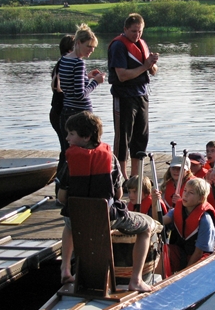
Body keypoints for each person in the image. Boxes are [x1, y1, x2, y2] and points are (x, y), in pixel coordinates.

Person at [57, 111, 158, 292]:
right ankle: (136, 280)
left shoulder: (69, 161)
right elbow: (118, 194)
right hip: (106, 218)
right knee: (147, 226)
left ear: (85, 136)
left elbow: (61, 198)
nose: (67, 137)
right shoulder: (110, 159)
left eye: (71, 134)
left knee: (68, 224)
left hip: (77, 219)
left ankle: (65, 268)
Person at [108, 13, 159, 181]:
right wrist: (145, 66)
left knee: (141, 136)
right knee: (123, 137)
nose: (137, 35)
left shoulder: (141, 44)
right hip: (124, 96)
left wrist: (151, 64)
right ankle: (120, 177)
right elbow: (122, 75)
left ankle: (135, 176)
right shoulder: (118, 46)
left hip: (141, 94)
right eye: (133, 31)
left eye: (140, 31)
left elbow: (152, 71)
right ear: (125, 29)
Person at [58, 24, 105, 170]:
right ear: (78, 43)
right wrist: (95, 82)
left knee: (68, 152)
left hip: (67, 110)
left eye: (93, 47)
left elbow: (68, 86)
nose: (91, 50)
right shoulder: (78, 63)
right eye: (89, 46)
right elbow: (80, 94)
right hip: (80, 115)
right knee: (85, 152)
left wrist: (86, 76)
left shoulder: (64, 59)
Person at [161, 178, 215, 272]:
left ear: (201, 199)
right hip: (182, 252)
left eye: (191, 193)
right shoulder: (177, 210)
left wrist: (184, 273)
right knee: (162, 250)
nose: (185, 195)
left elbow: (198, 253)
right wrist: (155, 203)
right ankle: (164, 281)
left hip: (198, 256)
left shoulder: (205, 220)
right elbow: (160, 221)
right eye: (185, 190)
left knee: (203, 261)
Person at [50, 34, 75, 192]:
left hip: (58, 112)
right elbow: (59, 88)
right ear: (70, 49)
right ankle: (61, 187)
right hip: (60, 113)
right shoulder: (63, 64)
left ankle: (62, 186)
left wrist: (85, 77)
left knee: (66, 150)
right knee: (66, 151)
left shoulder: (63, 64)